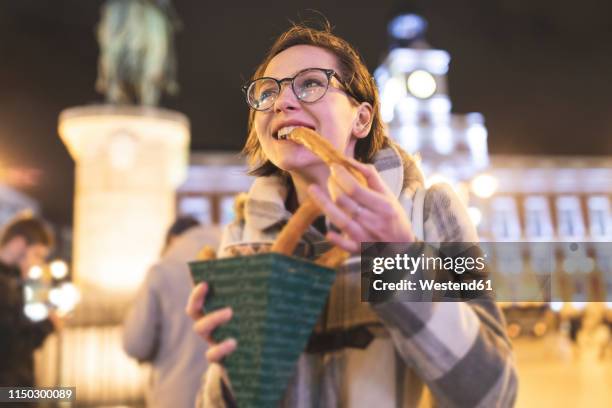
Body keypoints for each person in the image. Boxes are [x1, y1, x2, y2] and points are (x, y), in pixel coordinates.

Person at [186, 23, 518, 407]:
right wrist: (233, 368)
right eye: (266, 92)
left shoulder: (428, 211)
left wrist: (400, 259)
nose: (281, 102)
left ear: (361, 118)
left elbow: (495, 392)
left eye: (310, 83)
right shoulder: (244, 235)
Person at [122, 216, 220, 408]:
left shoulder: (161, 271)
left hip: (175, 394)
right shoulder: (229, 261)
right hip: (223, 393)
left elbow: (135, 344)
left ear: (172, 239)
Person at [0, 215, 57, 387]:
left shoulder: (15, 283)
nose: (38, 263)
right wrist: (48, 324)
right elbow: (12, 348)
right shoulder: (5, 286)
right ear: (18, 244)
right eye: (37, 255)